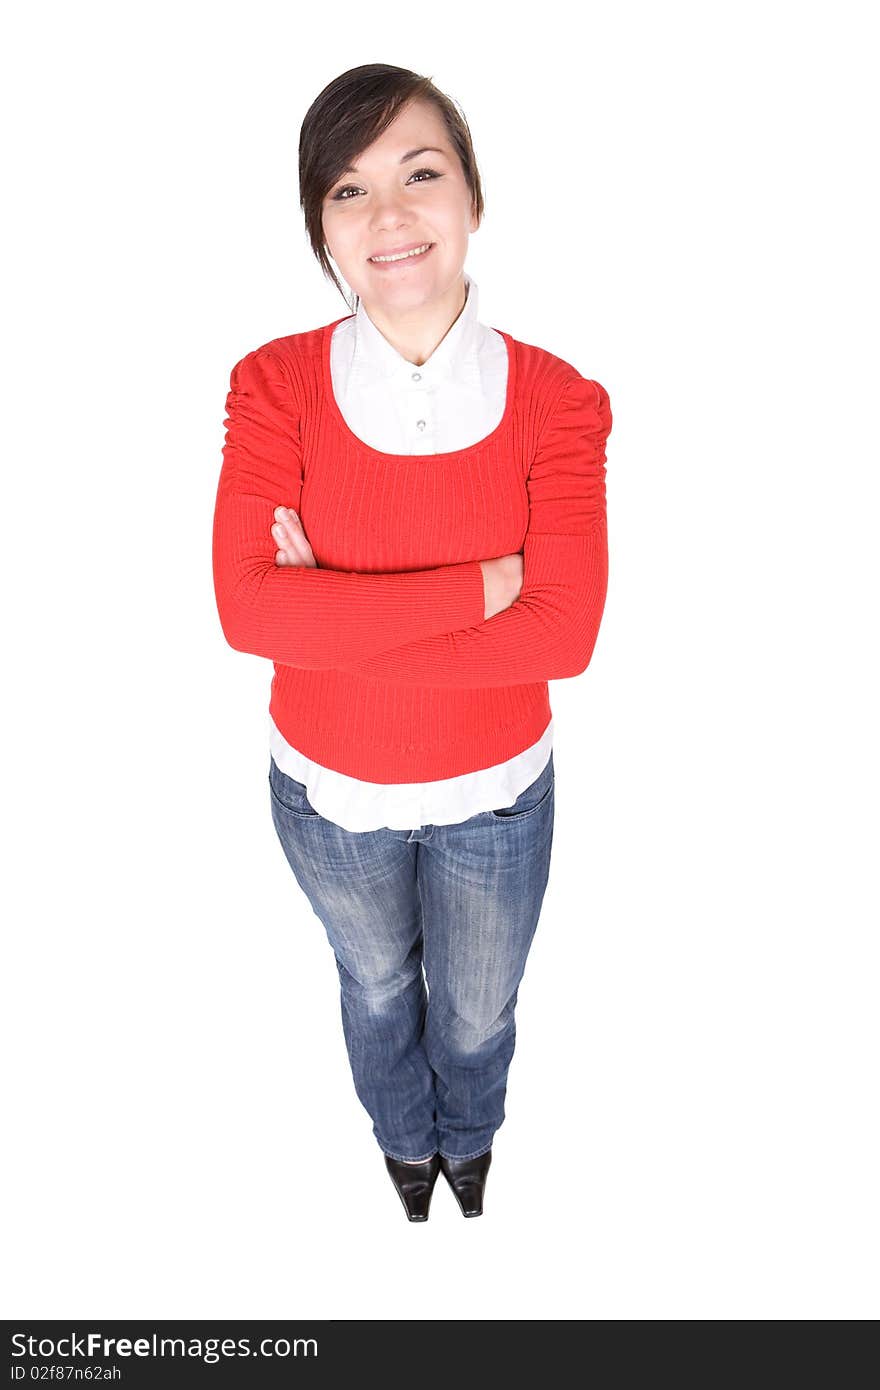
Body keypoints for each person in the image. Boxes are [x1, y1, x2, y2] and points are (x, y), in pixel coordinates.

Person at [212, 63, 612, 1222]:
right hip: (327, 797)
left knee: (480, 1007)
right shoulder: (274, 386)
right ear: (320, 231)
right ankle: (403, 1141)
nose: (388, 215)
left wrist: (330, 614)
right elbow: (246, 614)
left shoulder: (557, 402)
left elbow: (568, 636)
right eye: (347, 189)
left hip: (497, 795)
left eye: (419, 174)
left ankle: (468, 1136)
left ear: (473, 200)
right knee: (377, 984)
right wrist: (490, 584)